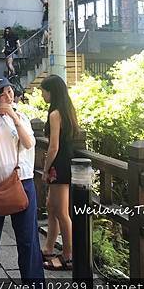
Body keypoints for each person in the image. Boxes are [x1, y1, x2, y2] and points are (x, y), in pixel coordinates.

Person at [0, 77, 45, 289]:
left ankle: (34, 287)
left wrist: (13, 116)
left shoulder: (20, 115)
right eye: (0, 92)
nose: (7, 96)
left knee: (27, 238)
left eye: (9, 91)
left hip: (22, 182)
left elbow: (28, 143)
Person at [40, 74, 79, 271]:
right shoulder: (67, 111)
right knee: (52, 207)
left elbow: (53, 146)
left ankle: (68, 255)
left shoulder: (55, 114)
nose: (42, 95)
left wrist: (45, 170)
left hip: (59, 164)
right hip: (64, 162)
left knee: (62, 212)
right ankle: (48, 248)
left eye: (43, 91)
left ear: (51, 92)